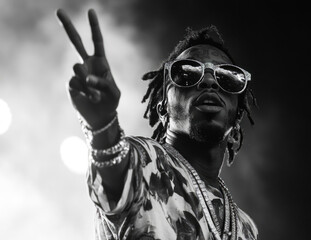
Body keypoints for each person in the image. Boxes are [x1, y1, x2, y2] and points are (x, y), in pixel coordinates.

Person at [57, 8, 258, 240]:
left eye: (228, 78)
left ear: (236, 121)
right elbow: (113, 176)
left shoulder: (244, 227)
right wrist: (103, 126)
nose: (210, 81)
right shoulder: (144, 161)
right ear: (162, 108)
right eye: (188, 73)